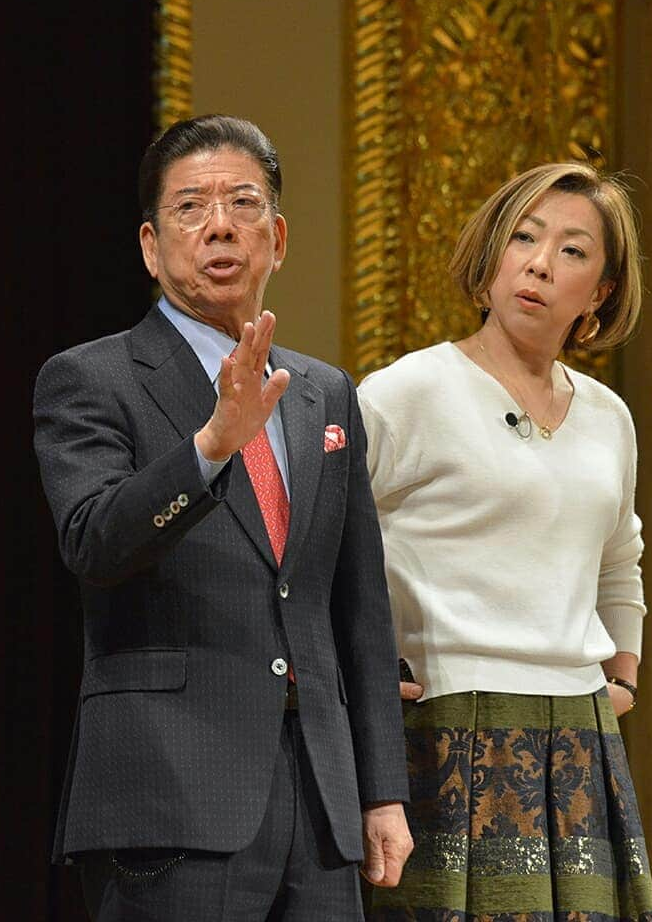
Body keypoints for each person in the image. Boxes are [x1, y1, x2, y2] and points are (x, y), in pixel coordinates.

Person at [34, 114, 413, 921]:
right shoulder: (91, 379)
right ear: (150, 244)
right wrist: (210, 445)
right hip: (168, 795)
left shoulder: (323, 392)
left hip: (319, 796)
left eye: (242, 204)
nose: (219, 226)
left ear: (276, 236)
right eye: (190, 208)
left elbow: (358, 610)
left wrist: (382, 792)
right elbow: (94, 542)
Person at [357, 163, 652, 920]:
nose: (538, 263)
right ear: (491, 254)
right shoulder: (407, 391)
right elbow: (323, 546)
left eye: (571, 250)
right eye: (523, 237)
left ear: (602, 291)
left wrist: (621, 672)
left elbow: (620, 556)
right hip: (445, 727)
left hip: (581, 731)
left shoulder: (608, 416)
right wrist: (353, 674)